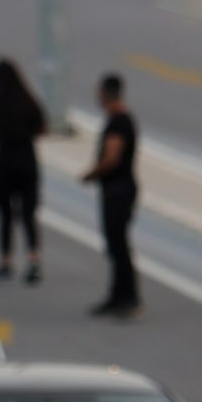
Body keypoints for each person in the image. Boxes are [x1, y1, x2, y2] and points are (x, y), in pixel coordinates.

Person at [82, 72, 140, 317]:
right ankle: (118, 295)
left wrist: (91, 173)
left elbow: (112, 157)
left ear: (106, 93)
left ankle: (129, 297)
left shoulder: (118, 123)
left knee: (118, 245)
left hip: (118, 190)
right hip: (120, 189)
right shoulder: (122, 120)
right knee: (115, 244)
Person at [0, 59, 47, 284]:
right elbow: (43, 127)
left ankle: (6, 261)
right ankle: (33, 260)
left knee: (6, 215)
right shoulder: (29, 100)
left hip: (5, 162)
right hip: (28, 161)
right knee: (29, 214)